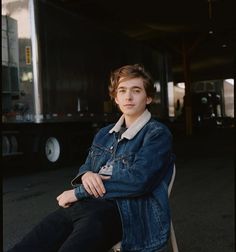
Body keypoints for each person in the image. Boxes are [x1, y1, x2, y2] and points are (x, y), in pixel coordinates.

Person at [8, 64, 175, 252]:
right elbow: (86, 166)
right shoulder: (105, 133)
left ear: (149, 97)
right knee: (27, 246)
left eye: (136, 91)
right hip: (87, 205)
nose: (128, 97)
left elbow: (138, 181)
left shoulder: (156, 134)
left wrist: (78, 192)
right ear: (116, 98)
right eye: (122, 91)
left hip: (125, 213)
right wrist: (87, 175)